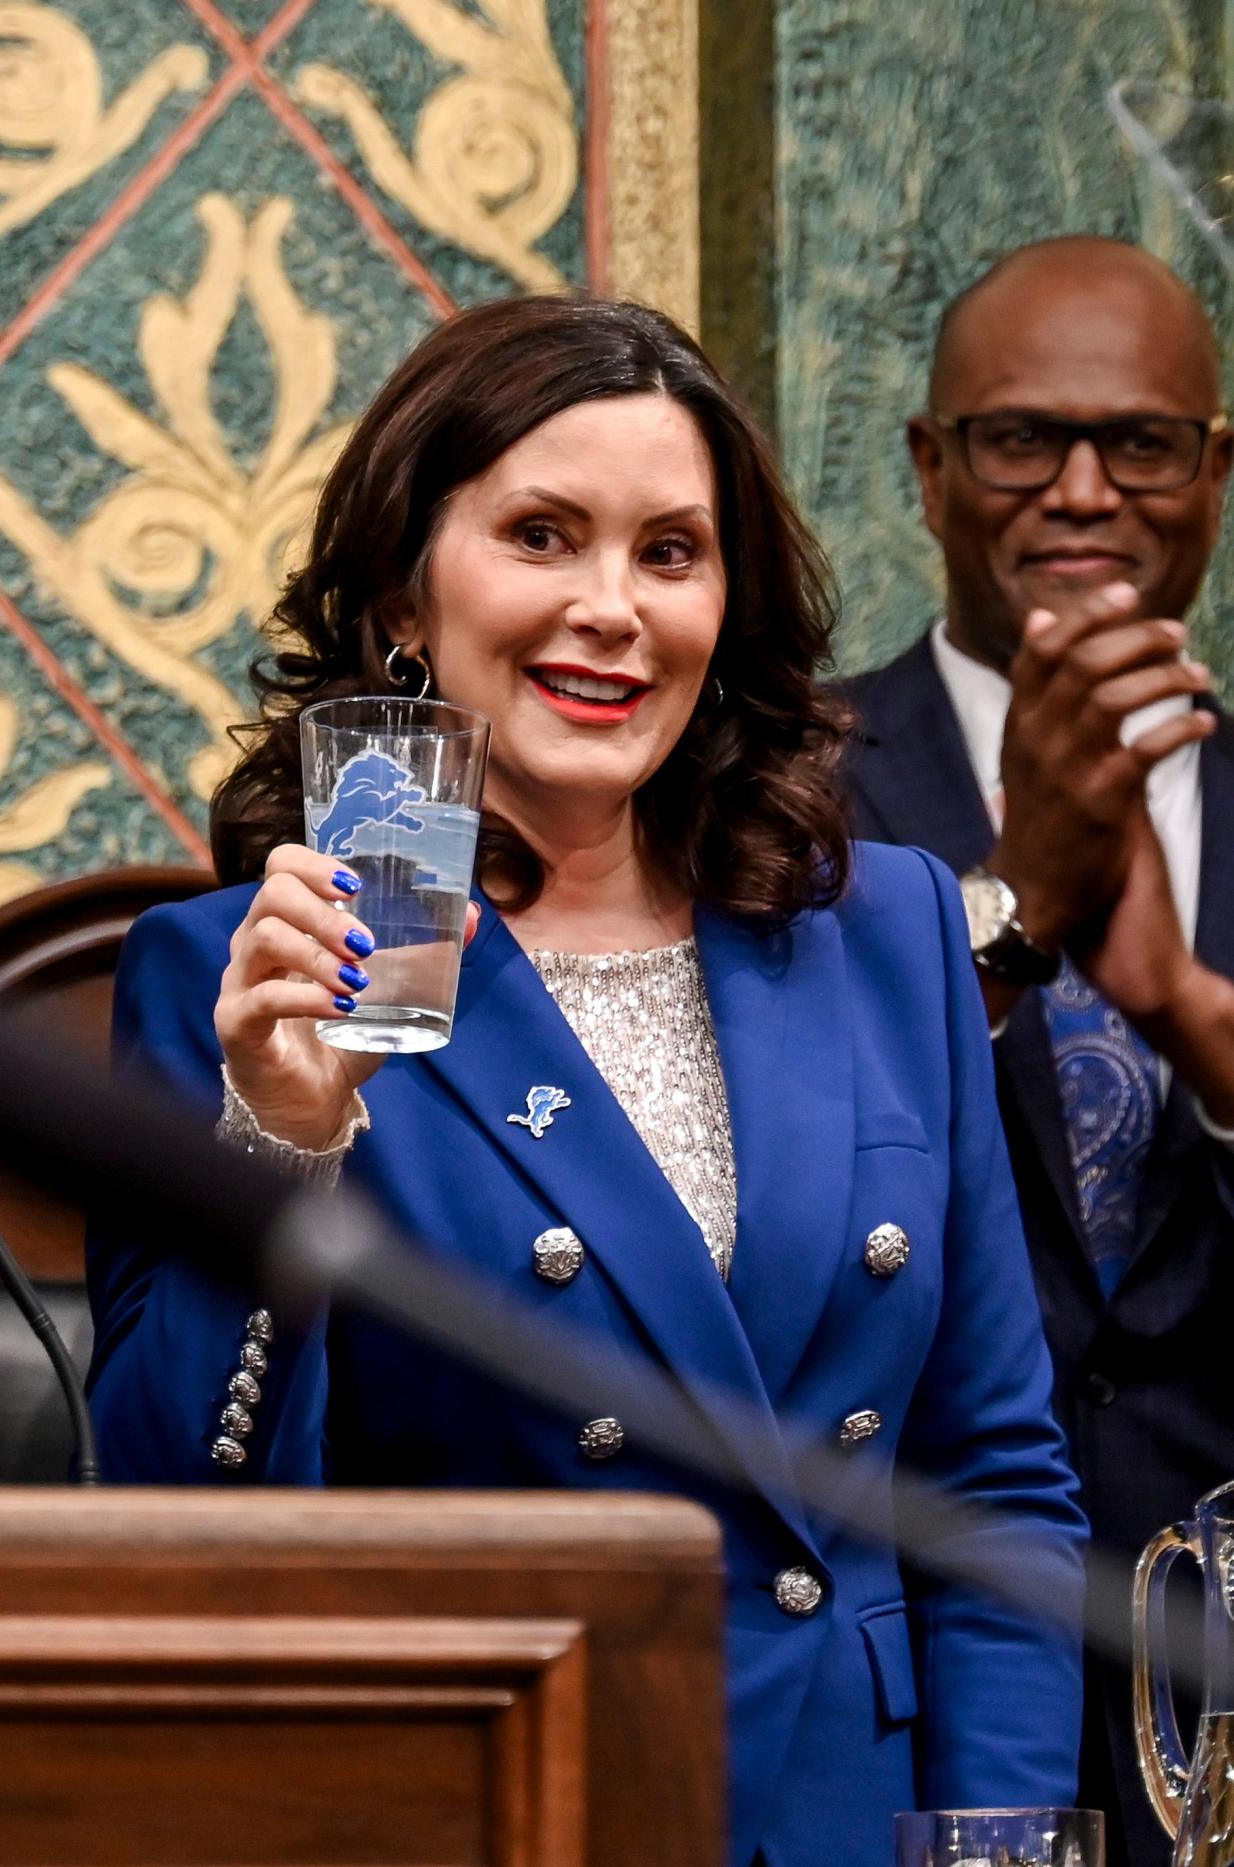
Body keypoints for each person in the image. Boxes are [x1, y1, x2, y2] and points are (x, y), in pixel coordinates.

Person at [86, 295, 1086, 1867]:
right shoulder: (260, 969)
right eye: (541, 535)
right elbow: (171, 1521)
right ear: (408, 595)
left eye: (668, 552)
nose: (611, 607)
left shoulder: (880, 926)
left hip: (852, 1820)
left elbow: (992, 1481)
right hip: (492, 1811)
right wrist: (282, 1143)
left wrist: (1005, 1840)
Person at [839, 235, 1234, 1867]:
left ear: (1213, 473)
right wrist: (1016, 917)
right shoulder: (767, 792)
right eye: (1019, 440)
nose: (1079, 490)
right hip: (905, 1644)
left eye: (1135, 443)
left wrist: (1184, 1012)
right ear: (931, 472)